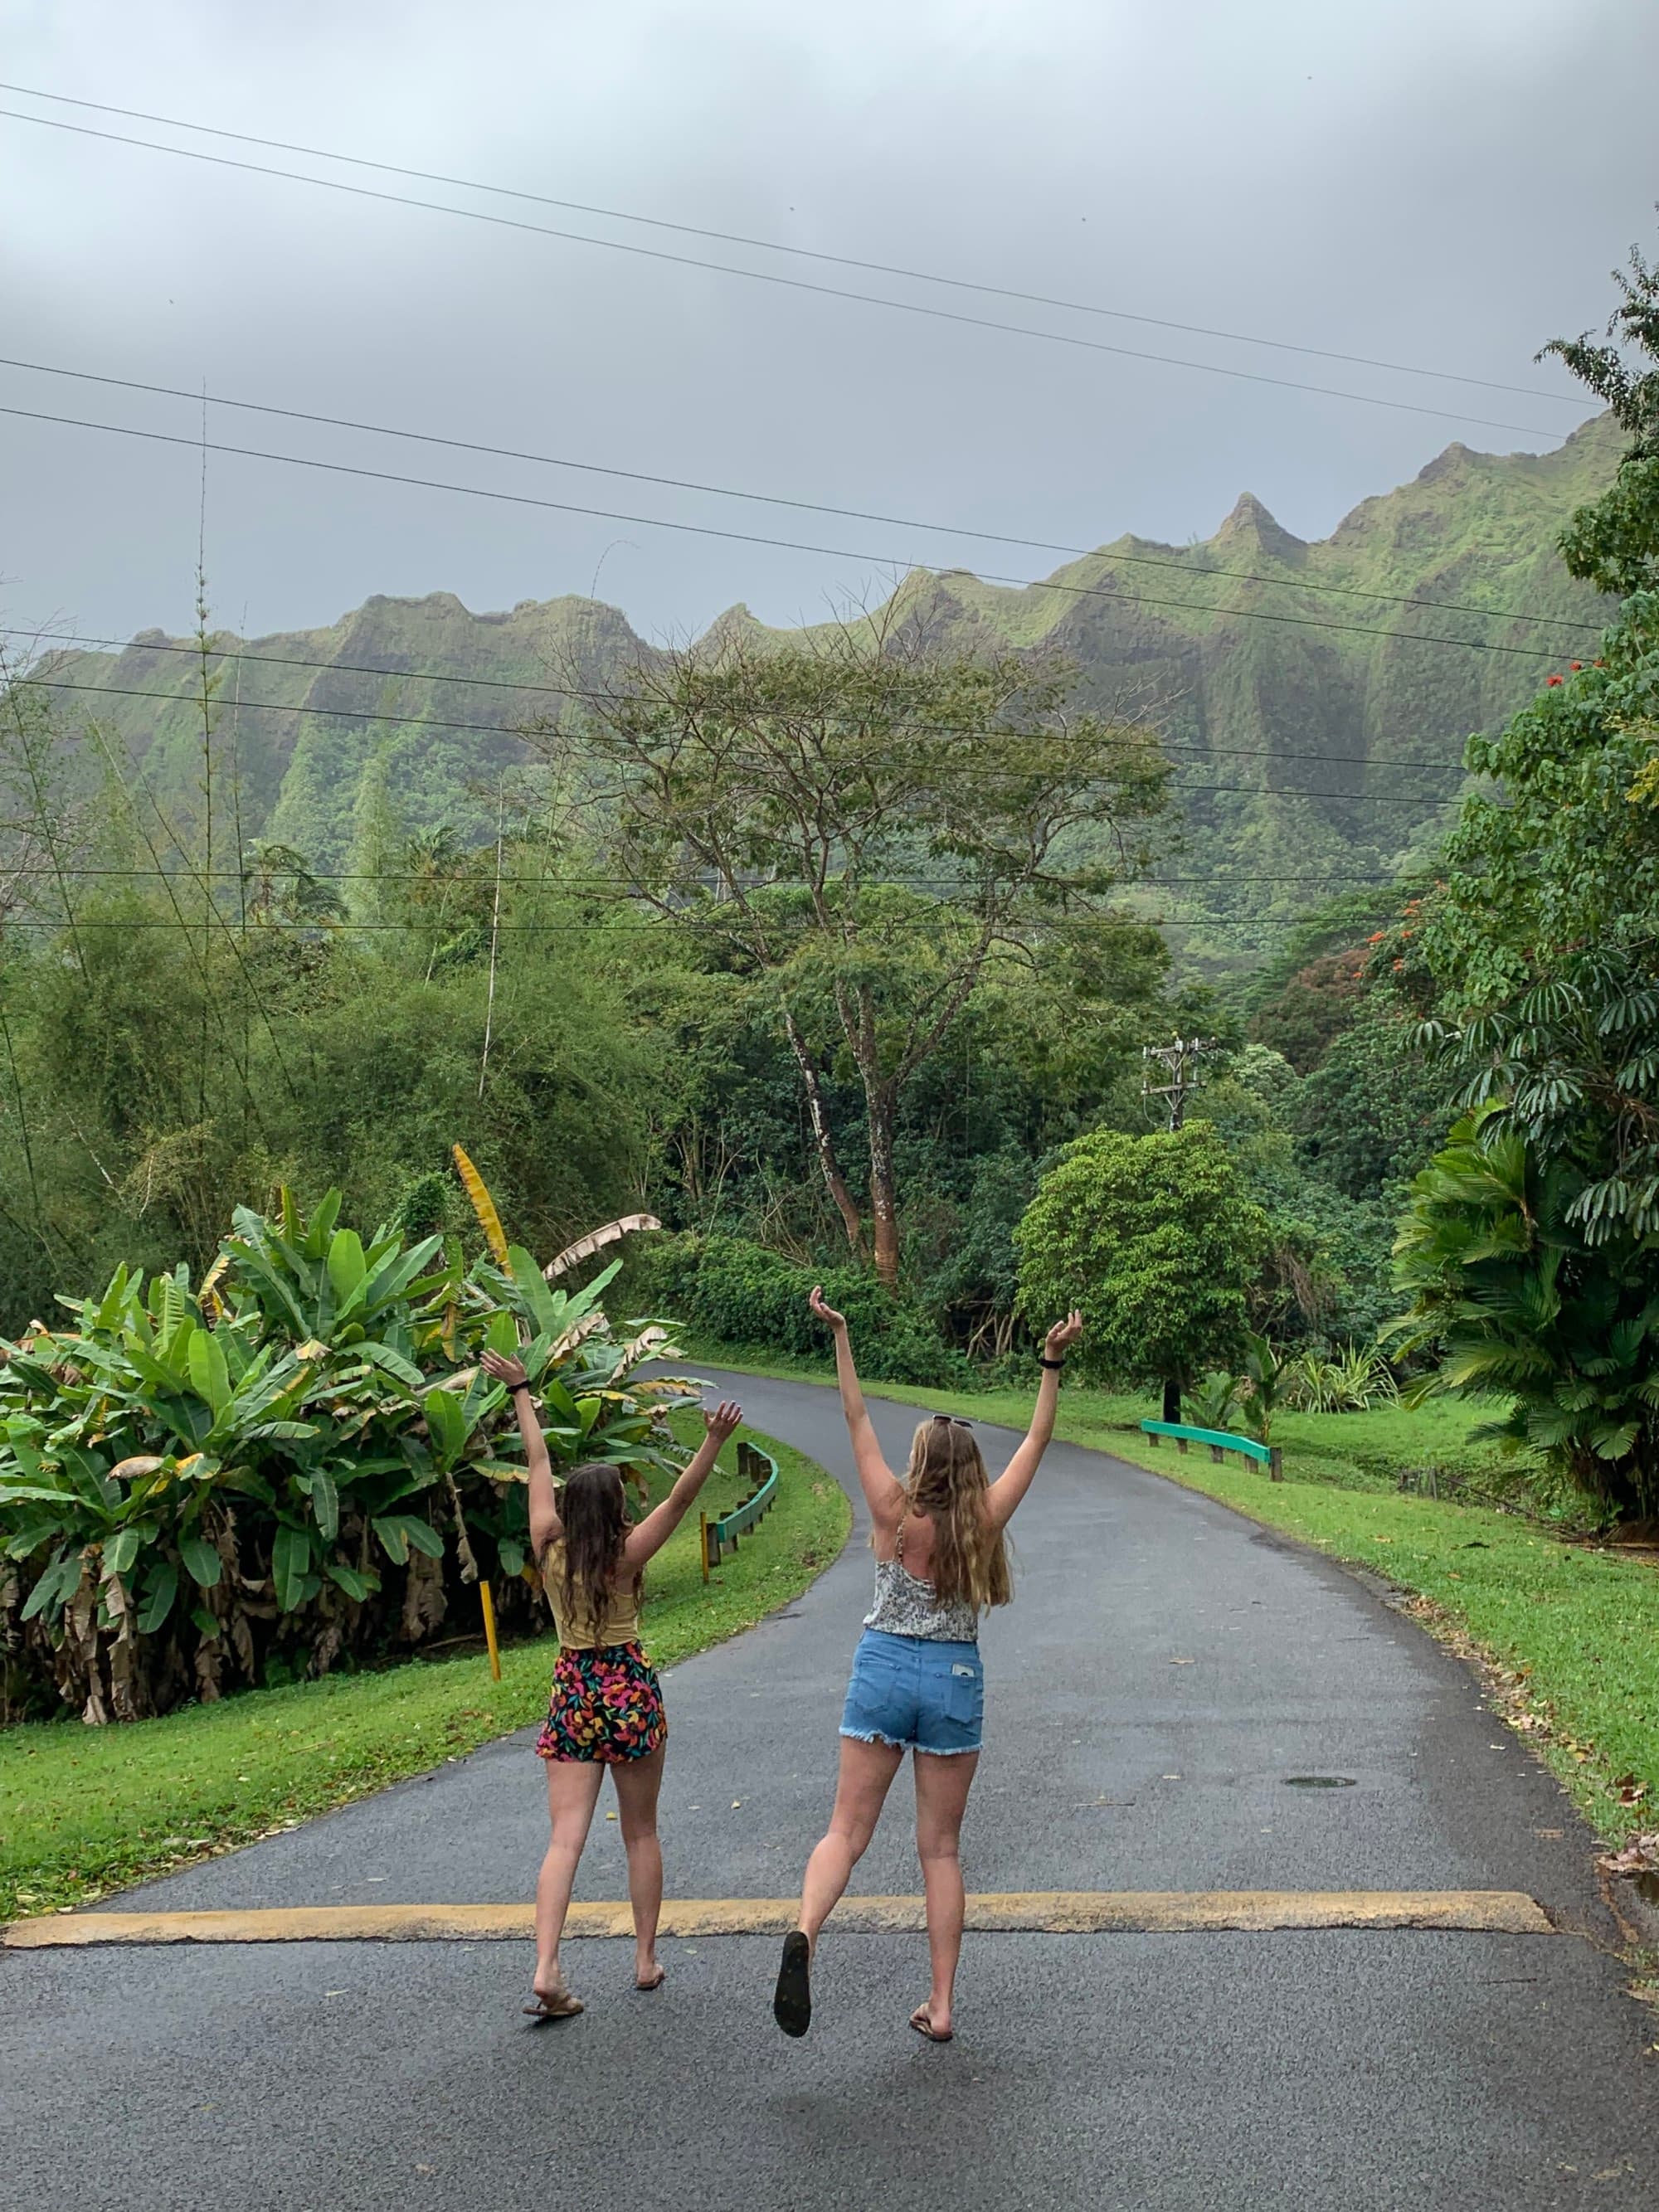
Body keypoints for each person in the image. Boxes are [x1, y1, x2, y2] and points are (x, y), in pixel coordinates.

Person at [773, 1290, 1084, 2044]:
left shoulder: (891, 1506)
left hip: (882, 1666)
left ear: (918, 1462)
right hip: (952, 1680)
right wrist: (1050, 1361)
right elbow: (1037, 1442)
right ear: (971, 1466)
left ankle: (807, 1930)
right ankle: (942, 2006)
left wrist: (841, 1337)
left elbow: (853, 1417)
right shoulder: (982, 1519)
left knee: (845, 1831)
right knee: (940, 1848)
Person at [480, 1345, 742, 2020]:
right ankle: (646, 1957)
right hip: (626, 1684)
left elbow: (537, 1462)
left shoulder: (547, 1544)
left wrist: (521, 1392)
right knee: (640, 1831)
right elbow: (683, 1500)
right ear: (618, 1506)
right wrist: (711, 1442)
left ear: (570, 1506)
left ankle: (545, 1964)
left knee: (565, 1836)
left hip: (573, 1685)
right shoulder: (627, 1555)